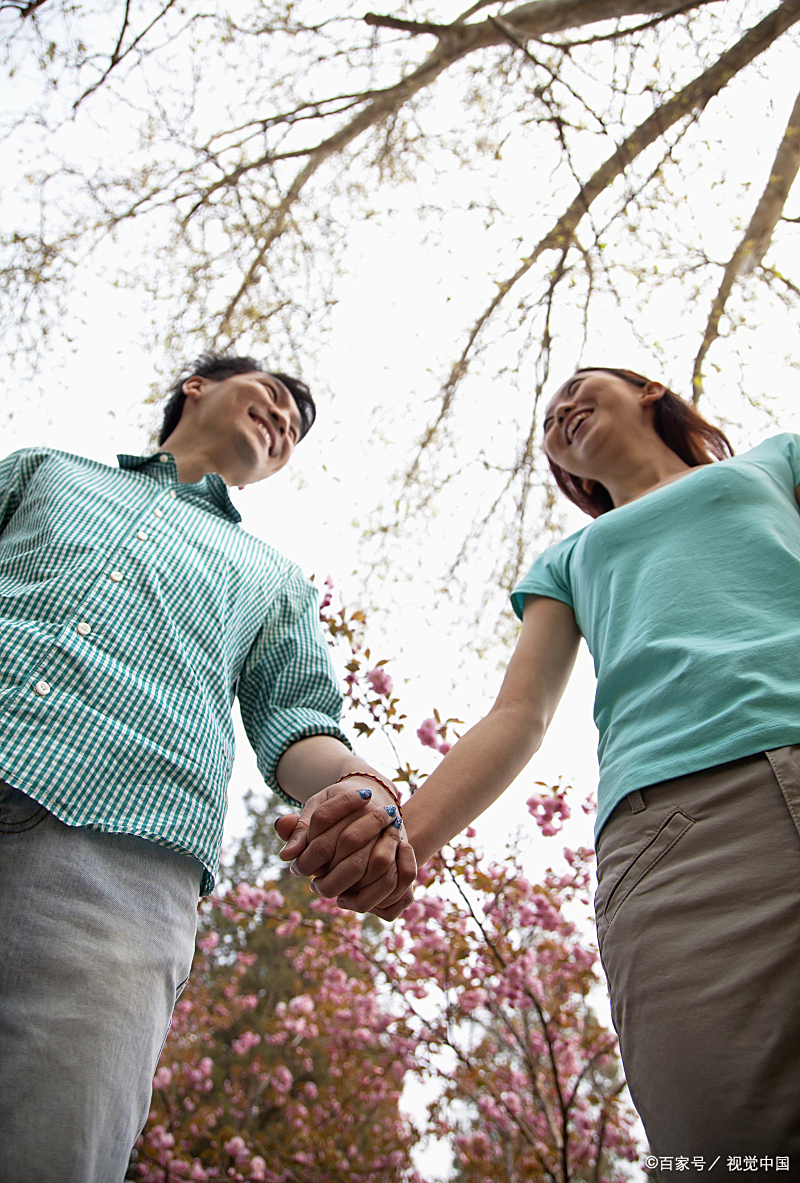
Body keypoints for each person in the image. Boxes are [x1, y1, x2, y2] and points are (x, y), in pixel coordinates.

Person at [282, 367, 800, 1174]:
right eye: (551, 416)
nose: (561, 411)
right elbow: (518, 719)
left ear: (649, 389)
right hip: (681, 833)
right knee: (731, 1148)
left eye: (578, 389)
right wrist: (397, 840)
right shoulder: (569, 559)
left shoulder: (777, 463)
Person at [0, 351, 416, 1183]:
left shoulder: (273, 581)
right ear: (197, 387)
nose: (284, 422)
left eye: (296, 429)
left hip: (120, 862)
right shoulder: (43, 470)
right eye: (271, 397)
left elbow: (297, 721)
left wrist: (360, 784)